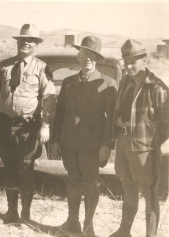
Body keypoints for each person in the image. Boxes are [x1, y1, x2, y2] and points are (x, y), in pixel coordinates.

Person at [0, 24, 56, 224]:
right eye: (22, 39)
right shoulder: (3, 66)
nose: (25, 43)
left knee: (25, 168)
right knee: (8, 167)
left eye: (30, 41)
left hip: (28, 126)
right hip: (5, 124)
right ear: (17, 42)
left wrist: (45, 125)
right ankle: (11, 212)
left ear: (36, 45)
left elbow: (49, 98)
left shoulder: (41, 68)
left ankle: (25, 215)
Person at [51, 36, 118, 236]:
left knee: (90, 184)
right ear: (78, 56)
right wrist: (55, 140)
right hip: (69, 143)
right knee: (72, 181)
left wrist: (107, 145)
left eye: (92, 55)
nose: (87, 58)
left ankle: (88, 226)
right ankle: (73, 222)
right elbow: (60, 113)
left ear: (97, 59)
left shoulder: (107, 83)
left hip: (92, 145)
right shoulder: (68, 82)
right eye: (84, 54)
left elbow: (111, 119)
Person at [110, 39, 168, 237]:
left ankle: (150, 235)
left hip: (145, 148)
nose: (128, 66)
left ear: (144, 60)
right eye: (126, 61)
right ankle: (124, 231)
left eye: (133, 61)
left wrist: (150, 141)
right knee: (127, 185)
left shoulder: (156, 86)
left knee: (149, 192)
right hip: (124, 142)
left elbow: (167, 123)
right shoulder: (125, 81)